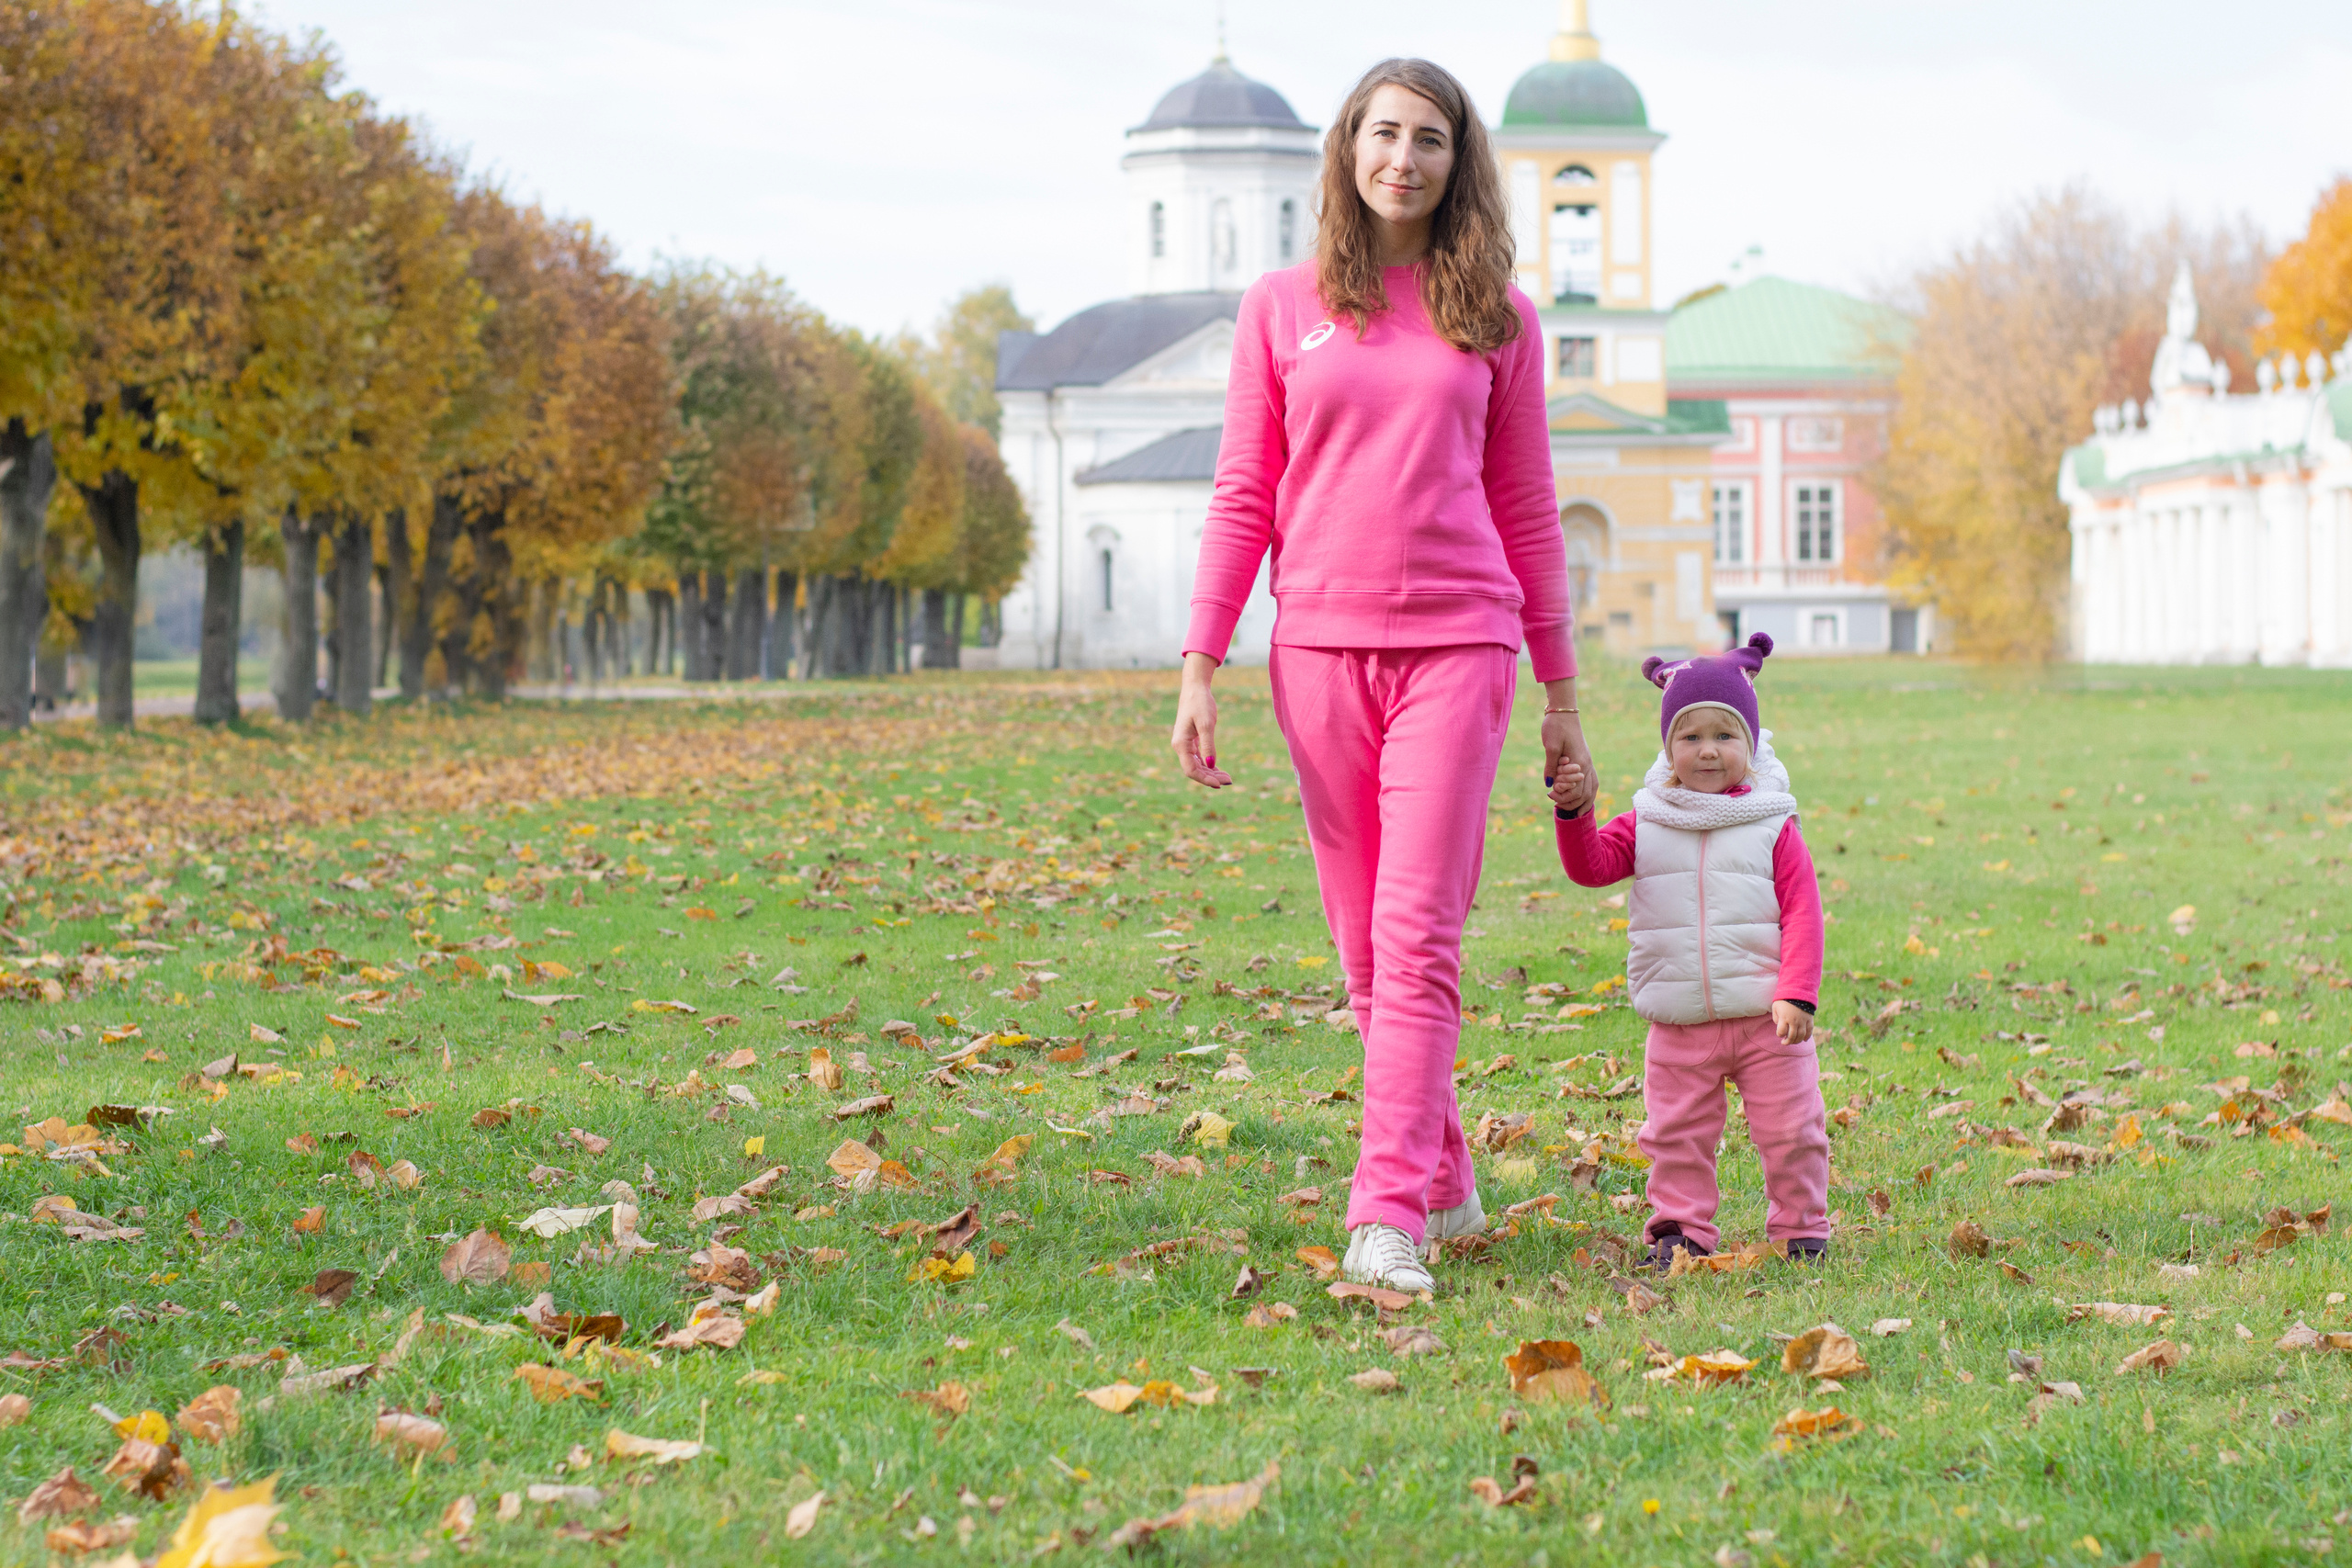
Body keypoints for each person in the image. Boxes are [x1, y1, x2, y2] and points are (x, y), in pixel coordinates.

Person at [1170, 58, 1590, 1295]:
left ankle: (1385, 1213)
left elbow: (1526, 505)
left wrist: (1562, 688)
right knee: (1364, 951)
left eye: (1431, 140)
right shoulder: (1279, 305)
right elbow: (1246, 488)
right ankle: (1447, 1173)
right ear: (1350, 147)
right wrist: (1202, 660)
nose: (1404, 158)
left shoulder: (1497, 315)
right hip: (1316, 653)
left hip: (1462, 645)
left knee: (1416, 937)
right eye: (1385, 134)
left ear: (1460, 164)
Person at [1546, 634, 1830, 1271]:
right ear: (1668, 746)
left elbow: (1803, 909)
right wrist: (1575, 812)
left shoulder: (1771, 823)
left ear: (1751, 744)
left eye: (1725, 736)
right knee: (1674, 1136)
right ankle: (1682, 1230)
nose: (1707, 750)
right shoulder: (1649, 819)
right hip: (1678, 1022)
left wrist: (1796, 992)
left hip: (1766, 1020)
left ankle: (1801, 1229)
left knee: (1791, 1132)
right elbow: (1591, 868)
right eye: (1691, 735)